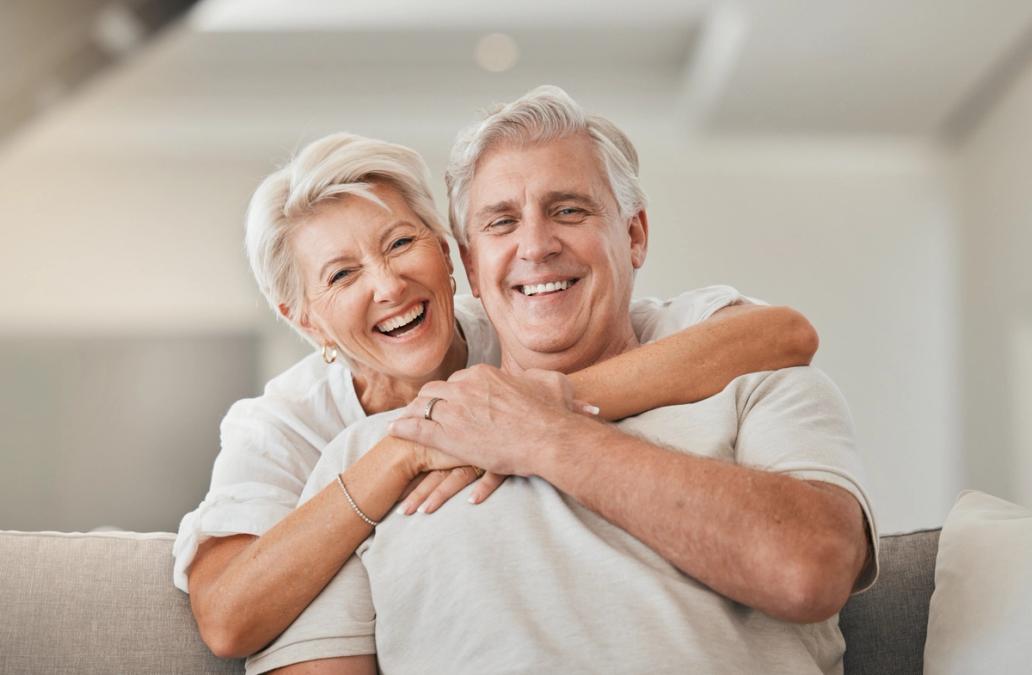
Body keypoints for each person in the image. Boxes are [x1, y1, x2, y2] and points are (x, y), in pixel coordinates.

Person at [261, 86, 877, 674]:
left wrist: (546, 436)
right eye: (501, 223)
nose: (536, 245)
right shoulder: (365, 463)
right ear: (471, 268)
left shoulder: (752, 382)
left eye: (568, 210)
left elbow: (812, 573)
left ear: (634, 235)